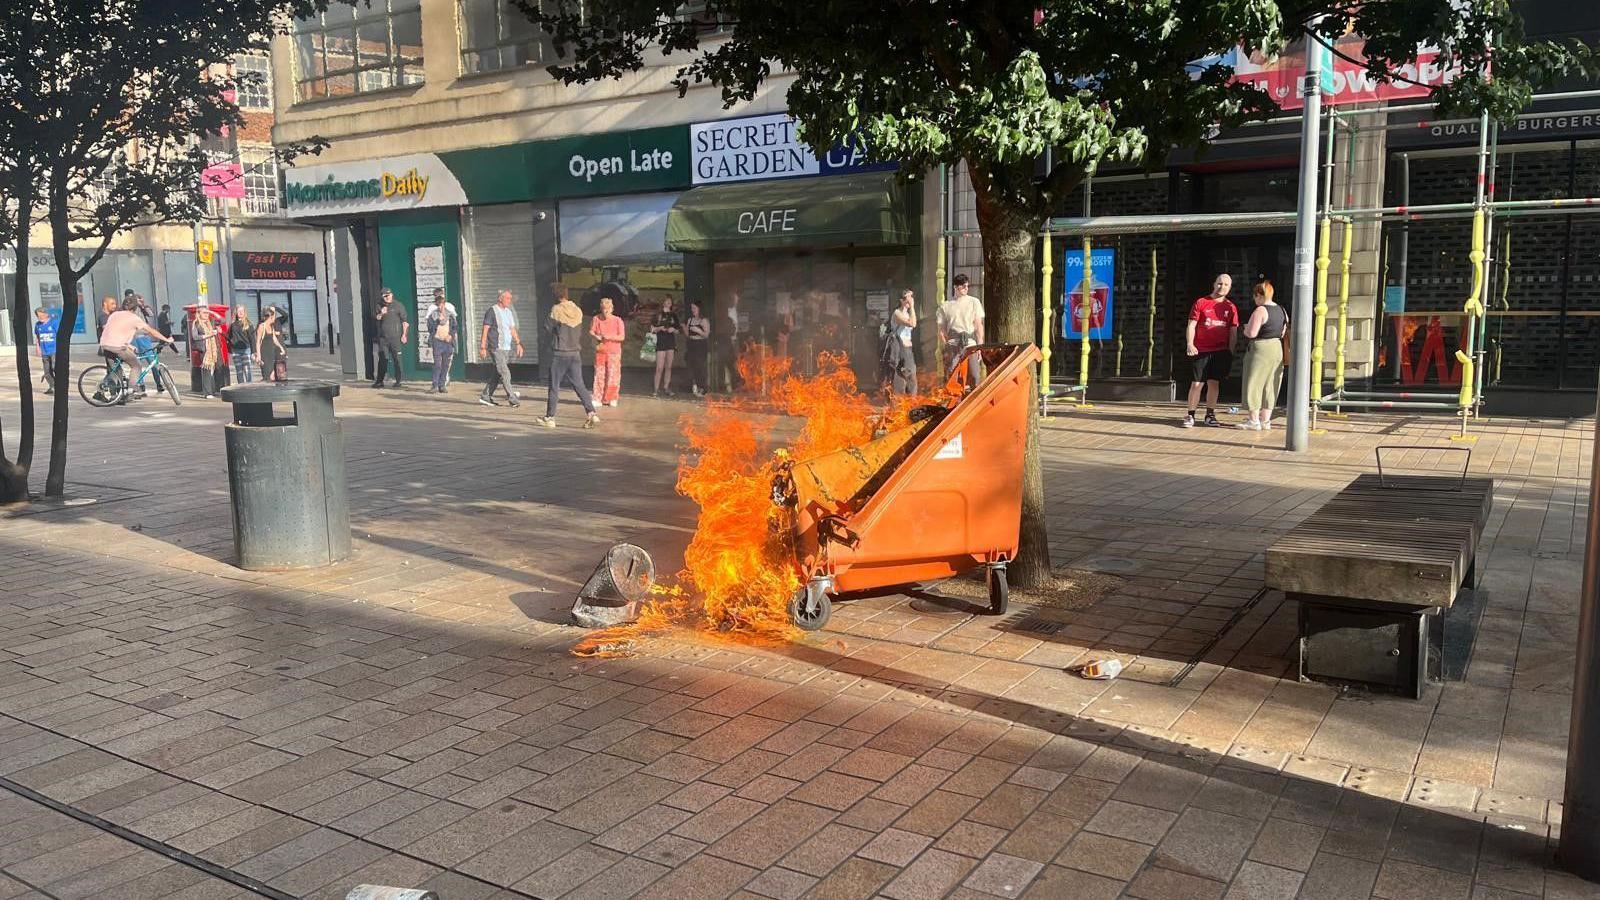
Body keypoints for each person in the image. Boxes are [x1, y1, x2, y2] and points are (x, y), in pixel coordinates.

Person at [537, 283, 600, 428]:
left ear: (556, 295)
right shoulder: (577, 310)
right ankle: (591, 413)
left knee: (554, 386)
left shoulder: (556, 310)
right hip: (575, 354)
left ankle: (550, 418)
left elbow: (547, 328)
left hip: (560, 354)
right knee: (579, 385)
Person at [1184, 273, 1239, 428]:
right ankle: (1190, 415)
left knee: (1214, 383)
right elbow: (1191, 325)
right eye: (1220, 283)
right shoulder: (1201, 302)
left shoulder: (1231, 307)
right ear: (1214, 284)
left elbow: (1233, 331)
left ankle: (1210, 415)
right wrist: (1190, 343)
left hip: (1221, 350)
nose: (1222, 287)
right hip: (1201, 350)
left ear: (1230, 288)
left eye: (1226, 284)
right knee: (1196, 384)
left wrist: (1230, 351)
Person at [1237, 280, 1289, 431]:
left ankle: (1253, 420)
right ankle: (1266, 420)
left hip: (1260, 349)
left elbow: (1251, 333)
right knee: (1271, 384)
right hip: (1277, 348)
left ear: (1259, 295)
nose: (1254, 299)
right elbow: (1284, 331)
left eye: (1255, 296)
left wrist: (1245, 328)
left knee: (1254, 383)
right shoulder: (1282, 310)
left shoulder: (1260, 310)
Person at [98, 301, 173, 396]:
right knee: (136, 365)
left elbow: (114, 331)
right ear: (135, 309)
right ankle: (131, 389)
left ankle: (112, 394)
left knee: (116, 370)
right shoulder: (134, 318)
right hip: (118, 346)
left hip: (105, 345)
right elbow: (151, 331)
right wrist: (166, 339)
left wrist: (129, 345)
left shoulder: (114, 315)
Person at [478, 290, 523, 407]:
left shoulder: (508, 312)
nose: (510, 301)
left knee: (497, 373)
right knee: (505, 372)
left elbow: (512, 329)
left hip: (506, 348)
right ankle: (512, 399)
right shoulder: (492, 311)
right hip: (495, 347)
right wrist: (483, 347)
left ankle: (486, 396)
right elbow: (485, 329)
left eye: (510, 298)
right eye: (507, 298)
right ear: (500, 299)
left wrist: (518, 343)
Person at [938, 274, 984, 384]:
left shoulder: (974, 302)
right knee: (952, 377)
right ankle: (956, 401)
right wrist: (946, 346)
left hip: (970, 344)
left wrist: (980, 346)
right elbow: (941, 330)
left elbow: (978, 325)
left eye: (967, 286)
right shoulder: (946, 306)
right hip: (953, 344)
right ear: (956, 287)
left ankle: (974, 400)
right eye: (963, 286)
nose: (966, 288)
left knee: (974, 376)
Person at [589, 296, 625, 407]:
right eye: (604, 308)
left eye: (608, 308)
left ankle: (612, 398)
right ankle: (597, 398)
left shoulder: (618, 320)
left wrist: (609, 336)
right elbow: (591, 331)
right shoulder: (596, 319)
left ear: (612, 308)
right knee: (599, 374)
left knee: (613, 375)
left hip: (614, 352)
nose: (606, 311)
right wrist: (596, 336)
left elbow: (622, 337)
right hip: (601, 351)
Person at [372, 288, 408, 388]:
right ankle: (379, 381)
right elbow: (377, 318)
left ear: (392, 295)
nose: (387, 298)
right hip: (383, 338)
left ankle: (398, 381)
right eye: (384, 296)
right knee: (383, 359)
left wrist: (404, 335)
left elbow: (405, 321)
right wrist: (382, 313)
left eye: (388, 295)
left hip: (396, 338)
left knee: (397, 359)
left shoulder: (398, 305)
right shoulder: (379, 305)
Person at [425, 288, 458, 394]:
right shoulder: (433, 315)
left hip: (448, 342)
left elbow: (454, 327)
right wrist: (438, 320)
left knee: (446, 364)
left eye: (442, 304)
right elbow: (430, 328)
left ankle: (442, 385)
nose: (441, 306)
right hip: (438, 342)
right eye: (438, 304)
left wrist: (451, 336)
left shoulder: (450, 314)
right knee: (437, 364)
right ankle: (434, 385)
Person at [886, 289, 918, 396]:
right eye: (907, 298)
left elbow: (914, 323)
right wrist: (912, 307)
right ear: (901, 300)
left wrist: (912, 309)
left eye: (911, 297)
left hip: (908, 351)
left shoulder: (909, 313)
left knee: (911, 380)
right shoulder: (897, 313)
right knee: (901, 379)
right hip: (899, 351)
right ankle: (898, 407)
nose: (910, 300)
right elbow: (912, 324)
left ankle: (909, 405)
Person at [651, 295, 680, 396]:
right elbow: (652, 329)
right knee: (659, 367)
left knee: (668, 367)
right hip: (660, 342)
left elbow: (677, 330)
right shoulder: (657, 314)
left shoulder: (674, 315)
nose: (668, 302)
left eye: (670, 301)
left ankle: (666, 387)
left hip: (670, 343)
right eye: (666, 301)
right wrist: (660, 328)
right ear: (663, 302)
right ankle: (656, 389)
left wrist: (674, 330)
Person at [192, 307, 223, 398]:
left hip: (215, 349)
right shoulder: (196, 323)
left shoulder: (211, 321)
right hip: (205, 349)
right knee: (207, 370)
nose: (206, 314)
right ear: (199, 314)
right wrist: (209, 335)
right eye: (204, 313)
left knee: (217, 370)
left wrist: (211, 311)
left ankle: (214, 390)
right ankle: (207, 392)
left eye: (207, 313)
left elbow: (222, 320)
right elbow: (195, 337)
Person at [684, 301, 711, 396]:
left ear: (699, 309)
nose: (693, 310)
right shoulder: (690, 320)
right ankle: (693, 385)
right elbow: (687, 335)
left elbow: (706, 335)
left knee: (700, 366)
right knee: (691, 365)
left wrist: (698, 330)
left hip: (700, 344)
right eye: (692, 308)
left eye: (694, 308)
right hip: (691, 343)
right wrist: (684, 329)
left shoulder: (704, 320)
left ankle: (703, 387)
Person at [716, 293, 741, 392]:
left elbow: (733, 329)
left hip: (730, 341)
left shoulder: (730, 317)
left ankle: (734, 384)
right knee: (726, 364)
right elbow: (730, 329)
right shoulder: (725, 316)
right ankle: (725, 385)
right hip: (725, 342)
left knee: (731, 364)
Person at [256, 306, 288, 383]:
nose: (274, 318)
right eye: (273, 316)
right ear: (269, 317)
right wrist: (259, 356)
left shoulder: (272, 326)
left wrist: (281, 347)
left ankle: (273, 391)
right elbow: (257, 342)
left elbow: (274, 339)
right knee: (267, 375)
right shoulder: (261, 326)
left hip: (272, 352)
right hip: (264, 354)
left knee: (273, 375)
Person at [33, 308, 57, 394]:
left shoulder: (54, 323)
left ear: (46, 314)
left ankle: (60, 386)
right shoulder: (38, 325)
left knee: (55, 368)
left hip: (54, 350)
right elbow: (37, 337)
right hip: (44, 351)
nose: (40, 317)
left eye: (41, 315)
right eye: (38, 316)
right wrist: (38, 348)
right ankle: (52, 386)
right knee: (47, 372)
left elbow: (60, 335)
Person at [229, 306, 255, 384]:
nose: (240, 312)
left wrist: (254, 352)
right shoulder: (233, 324)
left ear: (244, 312)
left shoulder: (249, 324)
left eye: (242, 311)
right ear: (236, 312)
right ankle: (241, 386)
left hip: (246, 349)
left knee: (247, 370)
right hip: (235, 350)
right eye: (238, 311)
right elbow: (230, 337)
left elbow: (252, 338)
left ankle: (249, 386)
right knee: (239, 370)